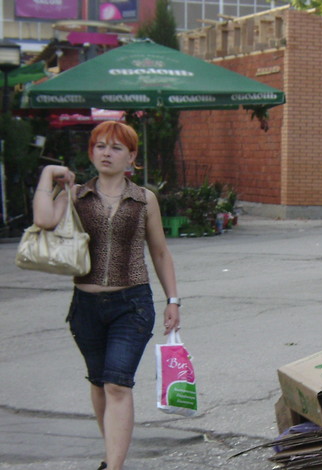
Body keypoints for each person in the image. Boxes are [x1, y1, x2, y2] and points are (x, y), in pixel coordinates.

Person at [31, 121, 181, 470]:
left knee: (117, 384)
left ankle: (113, 467)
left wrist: (173, 300)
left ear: (131, 156)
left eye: (115, 148)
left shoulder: (145, 199)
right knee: (99, 383)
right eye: (100, 146)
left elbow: (160, 253)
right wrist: (49, 175)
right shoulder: (75, 194)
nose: (106, 153)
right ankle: (111, 454)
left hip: (132, 305)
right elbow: (42, 219)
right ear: (91, 152)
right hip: (85, 307)